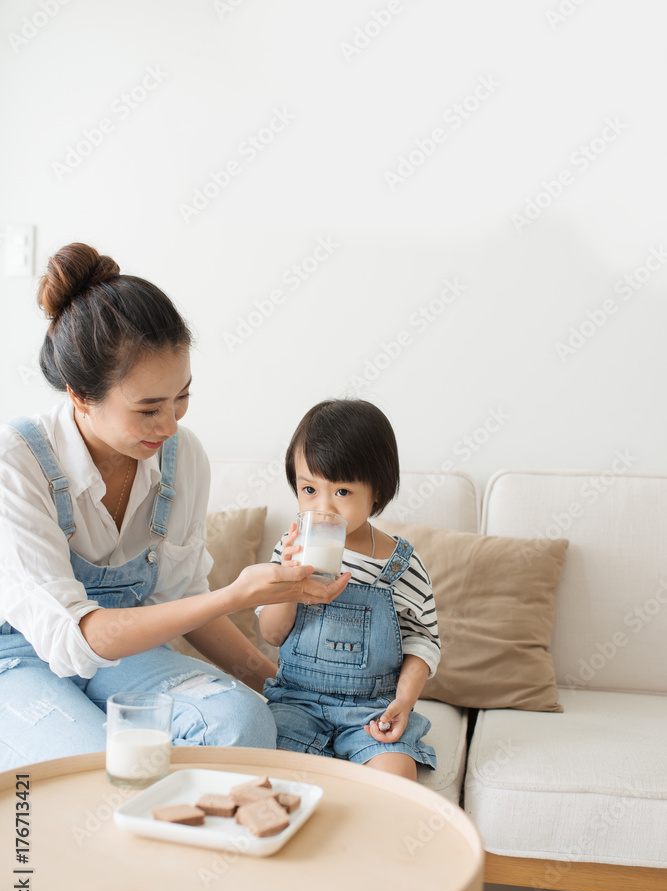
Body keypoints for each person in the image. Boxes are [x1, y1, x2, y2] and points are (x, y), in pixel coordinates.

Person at [0, 243, 349, 770]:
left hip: (123, 656)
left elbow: (179, 594)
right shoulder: (15, 462)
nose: (169, 426)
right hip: (20, 658)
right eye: (147, 409)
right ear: (80, 396)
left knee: (245, 722)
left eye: (181, 397)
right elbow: (75, 637)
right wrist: (233, 595)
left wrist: (291, 691)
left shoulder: (182, 458)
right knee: (101, 768)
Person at [258, 399, 440, 781]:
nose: (323, 507)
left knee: (396, 777)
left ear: (377, 491)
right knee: (266, 767)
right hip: (297, 702)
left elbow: (423, 642)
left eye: (341, 492)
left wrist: (403, 702)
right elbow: (272, 633)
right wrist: (287, 581)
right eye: (309, 489)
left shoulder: (400, 565)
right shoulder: (290, 548)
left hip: (370, 710)